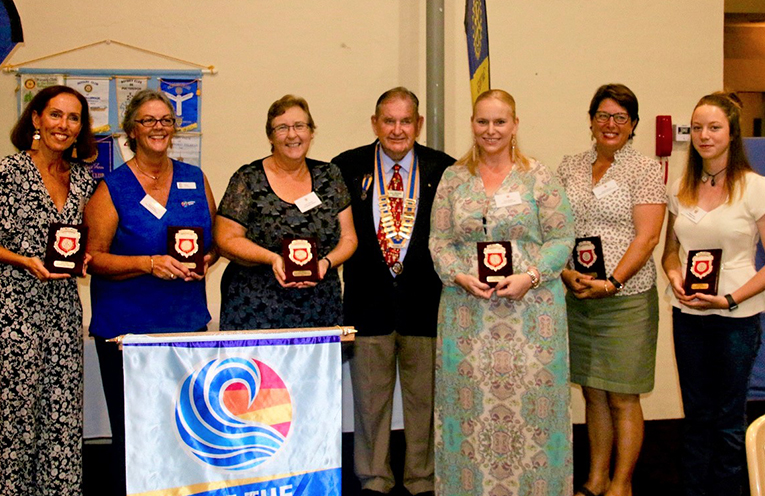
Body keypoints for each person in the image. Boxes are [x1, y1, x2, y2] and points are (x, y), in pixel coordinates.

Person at [429, 89, 575, 495]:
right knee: (468, 417)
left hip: (532, 318)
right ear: (472, 124)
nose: (490, 130)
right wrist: (458, 275)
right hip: (468, 318)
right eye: (482, 121)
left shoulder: (539, 176)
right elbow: (438, 240)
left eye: (499, 121)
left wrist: (531, 275)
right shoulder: (453, 179)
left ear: (515, 125)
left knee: (534, 419)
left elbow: (562, 238)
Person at [85, 88, 217, 496]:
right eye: (148, 121)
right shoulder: (112, 187)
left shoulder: (195, 178)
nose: (158, 128)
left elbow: (214, 241)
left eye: (166, 120)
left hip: (185, 326)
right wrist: (148, 263)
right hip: (128, 333)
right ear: (131, 130)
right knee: (137, 433)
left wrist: (206, 259)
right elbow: (93, 258)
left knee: (187, 429)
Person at [333, 87, 454, 496]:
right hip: (367, 305)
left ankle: (422, 479)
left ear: (418, 124)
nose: (397, 130)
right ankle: (374, 479)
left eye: (405, 121)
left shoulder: (444, 169)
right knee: (369, 403)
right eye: (389, 121)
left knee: (425, 402)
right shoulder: (347, 167)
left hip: (426, 304)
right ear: (375, 123)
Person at [558, 84, 667, 496]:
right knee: (593, 393)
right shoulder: (569, 166)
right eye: (603, 115)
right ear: (590, 120)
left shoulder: (644, 170)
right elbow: (555, 227)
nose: (610, 124)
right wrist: (565, 273)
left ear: (633, 124)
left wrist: (613, 281)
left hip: (626, 299)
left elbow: (648, 237)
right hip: (581, 296)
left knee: (622, 396)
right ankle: (596, 479)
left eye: (621, 117)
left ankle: (621, 485)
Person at [662, 92, 765, 496]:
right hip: (688, 315)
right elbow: (670, 252)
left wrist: (730, 300)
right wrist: (674, 276)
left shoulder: (755, 188)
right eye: (698, 128)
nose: (704, 135)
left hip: (737, 318)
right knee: (696, 417)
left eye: (714, 127)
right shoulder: (680, 187)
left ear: (732, 133)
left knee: (727, 420)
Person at [0, 85, 97, 495]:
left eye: (74, 118)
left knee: (61, 414)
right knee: (13, 417)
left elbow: (86, 238)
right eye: (56, 114)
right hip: (13, 311)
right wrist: (23, 260)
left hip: (62, 311)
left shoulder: (83, 179)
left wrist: (87, 257)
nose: (64, 125)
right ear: (37, 118)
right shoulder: (8, 172)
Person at [215, 94, 356, 330]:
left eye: (300, 126)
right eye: (282, 128)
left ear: (311, 132)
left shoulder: (330, 176)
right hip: (256, 309)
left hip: (320, 307)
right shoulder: (248, 178)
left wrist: (326, 263)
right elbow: (225, 238)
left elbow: (349, 238)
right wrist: (272, 258)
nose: (292, 135)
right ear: (270, 136)